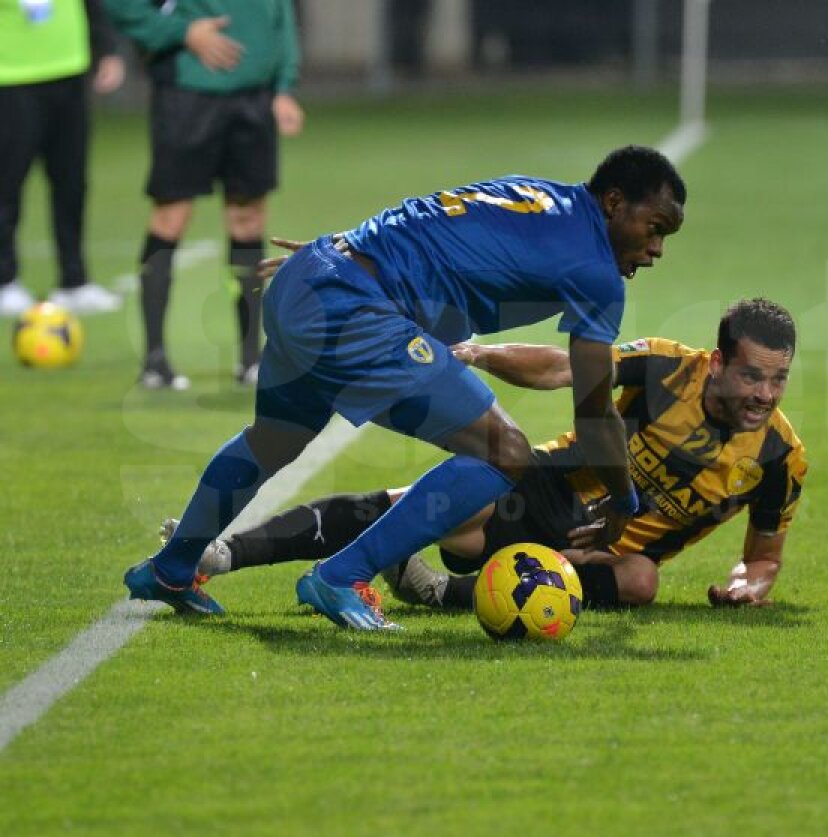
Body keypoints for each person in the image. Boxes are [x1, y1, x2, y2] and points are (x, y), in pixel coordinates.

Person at [123, 145, 687, 629]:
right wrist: (622, 499)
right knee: (505, 452)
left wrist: (343, 252)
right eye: (654, 228)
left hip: (312, 275)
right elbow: (593, 406)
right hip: (354, 309)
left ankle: (172, 568)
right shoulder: (595, 271)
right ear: (614, 203)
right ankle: (340, 577)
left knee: (273, 438)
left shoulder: (536, 194)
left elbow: (429, 217)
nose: (657, 249)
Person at [163, 299, 805, 610]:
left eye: (778, 380)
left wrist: (749, 585)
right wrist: (477, 354)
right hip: (554, 489)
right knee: (427, 507)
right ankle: (222, 553)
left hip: (610, 554)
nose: (765, 395)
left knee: (642, 581)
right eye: (753, 377)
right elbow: (564, 368)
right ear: (719, 361)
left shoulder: (778, 456)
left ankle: (441, 593)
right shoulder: (668, 368)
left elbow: (764, 555)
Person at [104, 0, 305, 389]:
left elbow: (281, 13)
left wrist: (284, 86)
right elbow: (121, 6)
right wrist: (183, 32)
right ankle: (155, 359)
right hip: (186, 95)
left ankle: (251, 358)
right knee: (171, 217)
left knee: (248, 221)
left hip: (254, 99)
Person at [0, 0, 126, 317]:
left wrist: (107, 47)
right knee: (7, 183)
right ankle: (5, 280)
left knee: (71, 183)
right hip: (11, 77)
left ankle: (73, 281)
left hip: (69, 70)